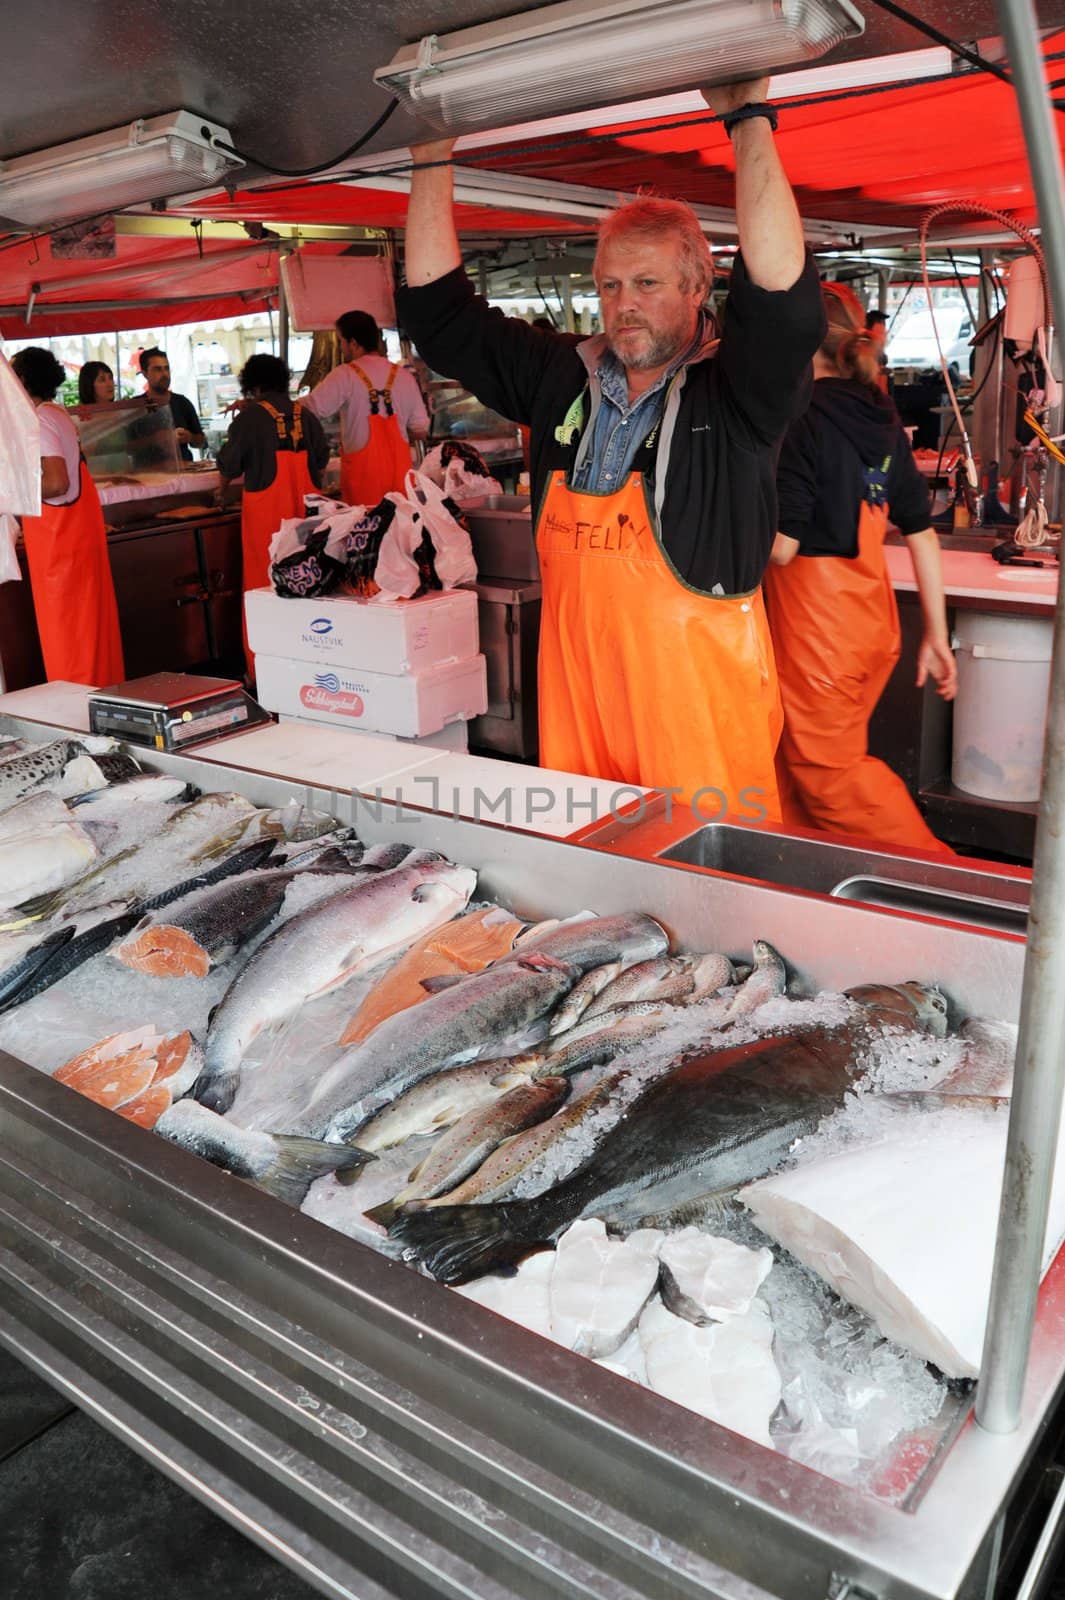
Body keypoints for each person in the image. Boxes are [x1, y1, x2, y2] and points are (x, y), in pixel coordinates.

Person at [398, 79, 824, 817]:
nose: (623, 304)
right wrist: (433, 156)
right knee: (593, 872)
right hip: (576, 687)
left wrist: (747, 120)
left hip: (696, 699)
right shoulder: (559, 373)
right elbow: (440, 318)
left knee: (709, 891)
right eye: (609, 285)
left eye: (648, 283)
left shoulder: (737, 392)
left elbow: (783, 299)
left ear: (698, 286)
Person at [763, 281, 957, 854]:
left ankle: (943, 887)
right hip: (868, 627)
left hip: (820, 636)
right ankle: (801, 880)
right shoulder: (878, 413)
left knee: (831, 778)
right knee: (791, 761)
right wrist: (937, 637)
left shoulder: (800, 418)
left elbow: (782, 548)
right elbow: (921, 530)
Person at [12, 347, 124, 688]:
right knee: (90, 633)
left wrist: (12, 492)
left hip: (61, 551)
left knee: (71, 639)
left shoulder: (41, 418)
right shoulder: (55, 414)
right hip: (71, 543)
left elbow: (57, 482)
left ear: (23, 379)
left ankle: (78, 713)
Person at [216, 352, 329, 679]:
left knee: (263, 590)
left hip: (267, 523)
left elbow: (228, 465)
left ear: (252, 384)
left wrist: (220, 493)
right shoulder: (304, 415)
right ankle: (312, 662)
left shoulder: (249, 418)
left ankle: (263, 671)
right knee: (310, 586)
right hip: (308, 520)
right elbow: (321, 461)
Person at [304, 310, 429, 508]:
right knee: (401, 535)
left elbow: (311, 408)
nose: (342, 347)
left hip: (363, 490)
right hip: (401, 491)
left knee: (366, 535)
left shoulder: (345, 375)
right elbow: (421, 430)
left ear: (353, 343)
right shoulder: (404, 377)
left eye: (342, 341)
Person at [133, 347, 206, 463]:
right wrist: (155, 439)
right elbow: (126, 447)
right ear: (144, 374)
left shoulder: (182, 403)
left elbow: (201, 441)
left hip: (183, 472)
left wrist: (190, 437)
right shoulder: (135, 406)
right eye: (157, 369)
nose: (164, 374)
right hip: (147, 474)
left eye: (166, 368)